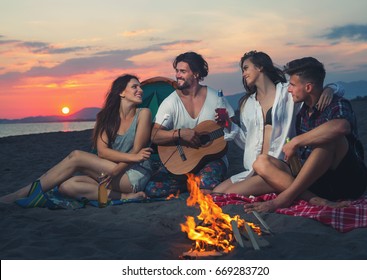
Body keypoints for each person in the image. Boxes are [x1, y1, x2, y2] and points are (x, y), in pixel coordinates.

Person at [0, 74, 153, 207]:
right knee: (66, 186)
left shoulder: (143, 114)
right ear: (121, 92)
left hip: (132, 175)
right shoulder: (105, 118)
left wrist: (115, 171)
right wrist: (114, 170)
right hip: (112, 173)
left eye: (140, 87)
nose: (140, 90)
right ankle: (126, 197)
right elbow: (102, 152)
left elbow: (136, 151)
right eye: (134, 87)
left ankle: (22, 193)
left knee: (77, 156)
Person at [244, 57, 367, 213]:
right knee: (261, 162)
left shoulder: (336, 104)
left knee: (329, 139)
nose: (289, 89)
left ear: (308, 87)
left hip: (347, 181)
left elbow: (341, 127)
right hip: (318, 181)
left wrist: (296, 142)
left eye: (292, 85)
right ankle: (314, 199)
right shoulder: (302, 111)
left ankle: (284, 198)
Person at [213, 51, 342, 196]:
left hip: (280, 165)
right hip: (253, 168)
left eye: (246, 68)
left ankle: (308, 197)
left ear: (260, 66)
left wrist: (331, 89)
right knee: (216, 192)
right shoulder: (247, 104)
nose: (243, 74)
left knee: (225, 196)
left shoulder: (287, 92)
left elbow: (313, 86)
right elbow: (247, 142)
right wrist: (228, 125)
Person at [145, 51, 236, 197]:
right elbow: (155, 135)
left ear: (196, 74)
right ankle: (191, 182)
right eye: (177, 71)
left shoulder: (215, 98)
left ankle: (192, 184)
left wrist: (227, 122)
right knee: (152, 189)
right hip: (182, 162)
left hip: (210, 161)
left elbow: (231, 128)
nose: (177, 75)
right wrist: (180, 133)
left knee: (206, 188)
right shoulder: (171, 102)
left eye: (182, 71)